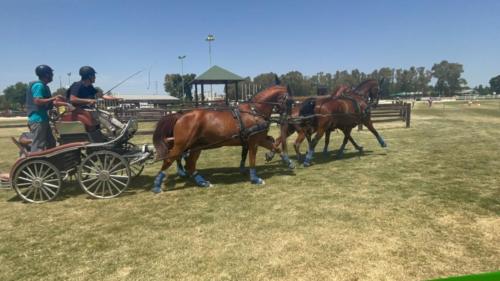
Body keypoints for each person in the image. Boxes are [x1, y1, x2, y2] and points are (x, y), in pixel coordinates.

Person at [67, 66, 122, 141]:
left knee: (107, 114)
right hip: (77, 111)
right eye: (94, 75)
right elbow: (72, 99)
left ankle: (122, 127)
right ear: (89, 76)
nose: (95, 77)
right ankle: (113, 131)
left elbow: (102, 96)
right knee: (98, 115)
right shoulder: (77, 85)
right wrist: (89, 100)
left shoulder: (90, 87)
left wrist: (115, 98)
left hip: (87, 110)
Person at [26, 65, 58, 152]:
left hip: (43, 119)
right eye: (51, 73)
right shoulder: (39, 86)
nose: (52, 75)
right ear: (47, 74)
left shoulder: (44, 86)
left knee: (51, 143)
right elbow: (37, 101)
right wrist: (53, 98)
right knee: (38, 145)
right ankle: (34, 163)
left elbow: (49, 102)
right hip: (38, 120)